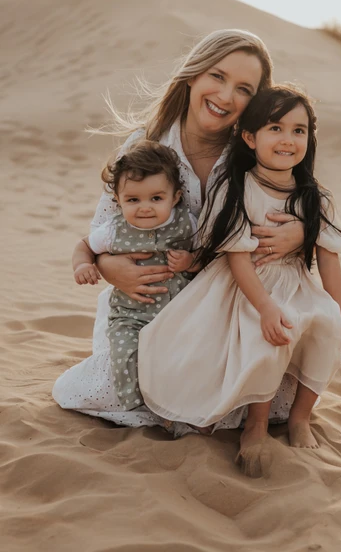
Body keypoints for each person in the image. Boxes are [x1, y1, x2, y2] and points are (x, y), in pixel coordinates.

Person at [52, 29, 304, 434]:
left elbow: (304, 204)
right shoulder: (145, 145)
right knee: (116, 388)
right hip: (150, 303)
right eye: (217, 77)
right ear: (194, 75)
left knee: (263, 393)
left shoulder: (255, 154)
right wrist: (106, 265)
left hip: (227, 300)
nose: (225, 96)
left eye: (243, 89)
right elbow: (104, 227)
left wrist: (300, 233)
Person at [137, 85, 341, 476]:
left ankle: (300, 416)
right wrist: (267, 308)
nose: (288, 139)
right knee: (270, 332)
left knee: (327, 323)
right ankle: (255, 425)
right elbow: (238, 258)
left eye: (299, 130)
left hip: (295, 283)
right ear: (251, 137)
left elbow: (329, 262)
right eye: (276, 128)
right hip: (246, 287)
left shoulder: (315, 198)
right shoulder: (237, 187)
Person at [72, 140, 199, 409]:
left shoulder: (187, 223)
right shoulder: (114, 230)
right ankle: (140, 407)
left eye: (156, 198)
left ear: (175, 197)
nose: (145, 207)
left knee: (185, 358)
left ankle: (179, 406)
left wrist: (190, 260)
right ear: (117, 200)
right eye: (133, 199)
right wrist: (83, 265)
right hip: (129, 314)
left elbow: (210, 255)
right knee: (125, 356)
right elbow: (84, 245)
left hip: (178, 313)